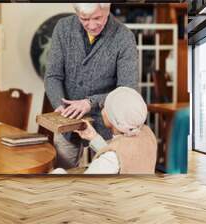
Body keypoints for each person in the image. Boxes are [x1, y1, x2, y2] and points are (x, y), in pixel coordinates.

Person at [44, 3, 138, 169]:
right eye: (84, 19)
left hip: (108, 126)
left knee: (105, 182)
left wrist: (90, 103)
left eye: (97, 18)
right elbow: (52, 76)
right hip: (68, 122)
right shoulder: (63, 28)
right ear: (77, 13)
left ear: (107, 10)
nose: (92, 25)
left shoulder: (124, 36)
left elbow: (127, 90)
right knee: (62, 176)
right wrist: (60, 107)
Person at [51, 87, 157, 174]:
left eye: (105, 107)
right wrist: (94, 138)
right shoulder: (147, 135)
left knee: (57, 173)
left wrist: (58, 173)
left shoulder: (109, 161)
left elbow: (82, 188)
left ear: (113, 119)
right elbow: (123, 156)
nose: (102, 110)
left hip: (114, 198)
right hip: (140, 193)